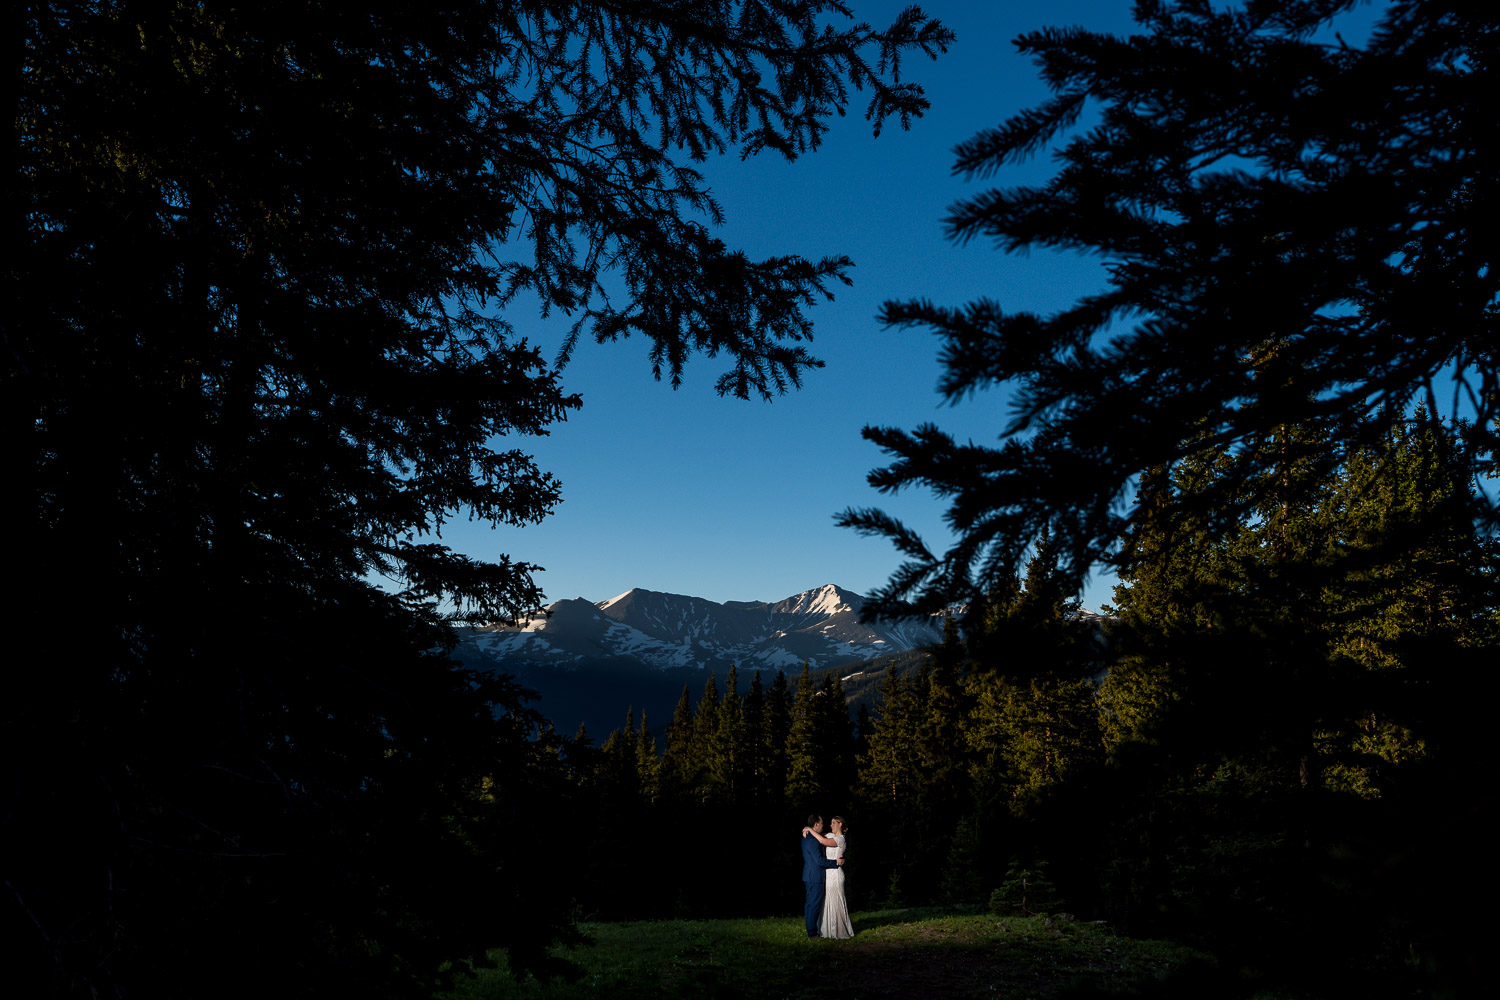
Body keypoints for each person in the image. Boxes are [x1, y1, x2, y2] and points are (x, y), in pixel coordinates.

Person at [803, 815, 852, 938]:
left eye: (834, 822)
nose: (830, 825)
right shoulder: (826, 836)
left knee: (834, 902)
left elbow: (822, 841)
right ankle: (819, 931)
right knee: (821, 904)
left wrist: (809, 829)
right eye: (829, 823)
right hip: (822, 875)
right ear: (816, 824)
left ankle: (837, 930)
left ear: (840, 824)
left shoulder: (840, 839)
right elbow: (820, 839)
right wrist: (808, 828)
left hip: (833, 874)